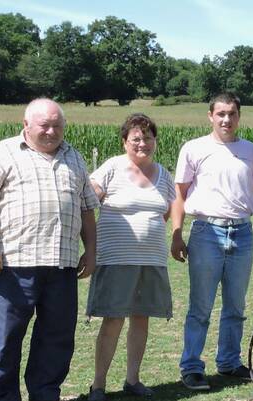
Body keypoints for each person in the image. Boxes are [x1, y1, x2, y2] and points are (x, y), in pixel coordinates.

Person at [0, 98, 99, 401]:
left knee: (57, 339)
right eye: (44, 125)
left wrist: (91, 251)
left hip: (61, 267)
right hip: (13, 264)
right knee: (7, 340)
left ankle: (45, 394)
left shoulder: (74, 157)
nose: (52, 131)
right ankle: (4, 397)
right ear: (26, 125)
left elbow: (87, 208)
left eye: (58, 126)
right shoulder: (3, 153)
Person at [171, 93, 253, 390]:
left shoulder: (250, 151)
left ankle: (228, 361)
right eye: (221, 113)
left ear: (239, 117)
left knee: (235, 306)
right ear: (210, 116)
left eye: (232, 114)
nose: (226, 119)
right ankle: (192, 367)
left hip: (242, 234)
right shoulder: (194, 148)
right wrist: (176, 233)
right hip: (205, 233)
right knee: (201, 306)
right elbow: (180, 193)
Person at [86, 113, 175, 400]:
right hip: (115, 260)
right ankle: (98, 385)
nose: (143, 143)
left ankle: (132, 380)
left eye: (148, 138)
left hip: (152, 260)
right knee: (113, 320)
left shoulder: (163, 174)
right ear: (125, 142)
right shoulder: (112, 167)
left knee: (141, 318)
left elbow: (168, 209)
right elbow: (89, 199)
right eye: (136, 138)